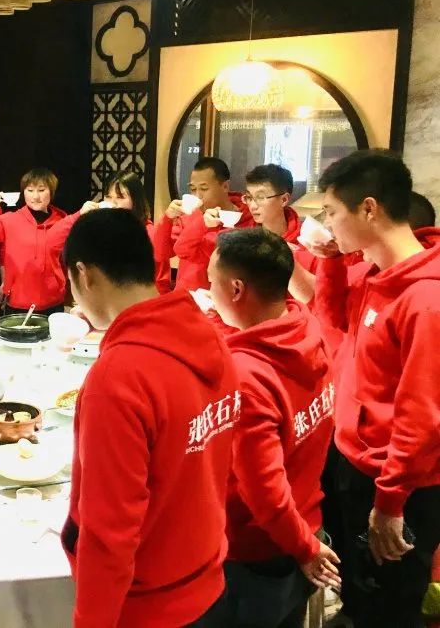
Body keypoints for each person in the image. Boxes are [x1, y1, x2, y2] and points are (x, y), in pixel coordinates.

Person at [60, 209, 239, 627]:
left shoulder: (119, 376)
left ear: (84, 274)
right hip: (207, 579)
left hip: (149, 605)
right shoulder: (208, 335)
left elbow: (109, 531)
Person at [302, 150, 440, 628]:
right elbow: (332, 321)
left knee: (391, 602)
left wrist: (391, 500)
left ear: (368, 209)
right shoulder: (378, 276)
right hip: (356, 460)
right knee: (359, 588)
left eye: (330, 212)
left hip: (398, 482)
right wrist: (331, 262)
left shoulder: (425, 297)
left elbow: (422, 415)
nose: (327, 223)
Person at [207, 229, 339, 628]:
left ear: (236, 289)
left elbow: (264, 491)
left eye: (211, 282)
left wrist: (305, 549)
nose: (208, 292)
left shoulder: (248, 377)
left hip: (258, 546)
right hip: (304, 521)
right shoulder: (304, 327)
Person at [0, 168, 68, 316]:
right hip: (17, 300)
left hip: (52, 300)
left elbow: (67, 260)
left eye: (41, 190)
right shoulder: (10, 220)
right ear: (23, 192)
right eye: (30, 190)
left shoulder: (62, 221)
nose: (35, 196)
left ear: (51, 192)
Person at [154, 156, 253, 292]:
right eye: (193, 189)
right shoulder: (190, 215)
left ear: (225, 186)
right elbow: (160, 253)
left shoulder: (245, 217)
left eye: (204, 188)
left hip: (227, 298)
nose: (197, 195)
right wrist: (167, 219)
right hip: (187, 297)